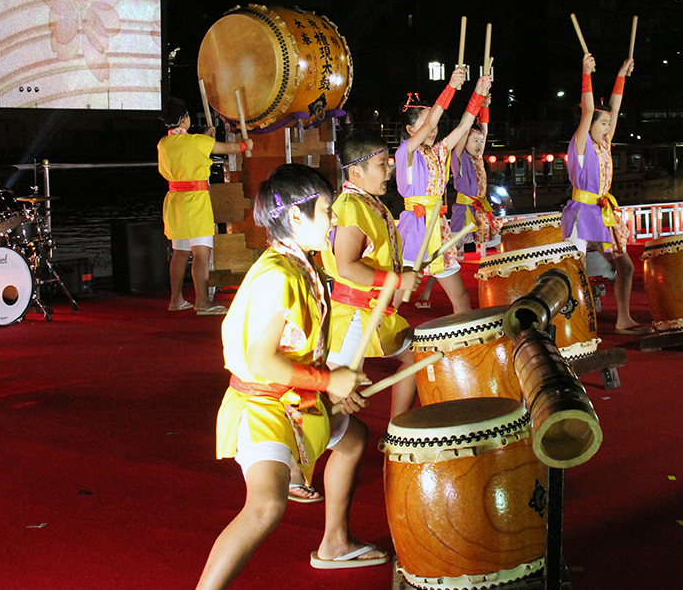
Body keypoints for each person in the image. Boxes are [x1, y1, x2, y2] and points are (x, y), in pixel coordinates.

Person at [195, 164, 386, 590]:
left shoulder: (300, 264)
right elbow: (261, 362)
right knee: (265, 508)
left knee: (353, 439)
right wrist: (327, 382)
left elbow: (296, 348)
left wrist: (332, 381)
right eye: (327, 211)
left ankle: (335, 542)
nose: (335, 220)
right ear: (297, 218)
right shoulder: (280, 275)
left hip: (295, 398)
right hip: (265, 405)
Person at [321, 132, 422, 417]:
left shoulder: (369, 203)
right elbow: (347, 267)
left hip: (377, 313)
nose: (389, 169)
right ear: (356, 171)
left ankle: (396, 433)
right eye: (381, 163)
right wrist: (399, 281)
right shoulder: (351, 208)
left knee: (418, 359)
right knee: (336, 409)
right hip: (353, 316)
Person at [560, 52, 647, 334]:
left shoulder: (603, 144)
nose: (609, 127)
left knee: (626, 266)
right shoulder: (581, 143)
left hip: (601, 215)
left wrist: (621, 76)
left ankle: (623, 319)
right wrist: (586, 73)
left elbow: (616, 109)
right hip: (581, 215)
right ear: (589, 124)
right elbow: (588, 110)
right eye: (603, 123)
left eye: (610, 123)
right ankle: (573, 327)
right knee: (574, 273)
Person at [395, 68, 492, 314]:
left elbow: (464, 125)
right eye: (426, 124)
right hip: (415, 230)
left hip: (439, 228)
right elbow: (431, 122)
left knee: (461, 299)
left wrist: (478, 95)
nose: (433, 129)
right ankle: (375, 342)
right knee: (392, 303)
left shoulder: (438, 152)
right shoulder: (406, 153)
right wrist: (450, 87)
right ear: (409, 130)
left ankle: (467, 350)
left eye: (435, 124)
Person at [158, 97, 252, 315]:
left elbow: (191, 146)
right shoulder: (197, 143)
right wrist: (246, 145)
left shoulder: (164, 144)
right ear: (184, 119)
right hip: (196, 201)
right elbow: (229, 148)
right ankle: (202, 301)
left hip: (175, 202)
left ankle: (176, 299)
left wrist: (204, 138)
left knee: (179, 252)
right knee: (201, 254)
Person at [450, 92, 501, 256]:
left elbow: (484, 132)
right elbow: (464, 129)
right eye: (475, 140)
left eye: (481, 141)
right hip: (464, 211)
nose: (480, 144)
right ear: (465, 141)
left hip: (480, 209)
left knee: (493, 244)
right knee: (452, 252)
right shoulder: (458, 157)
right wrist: (477, 104)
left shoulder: (477, 157)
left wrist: (485, 106)